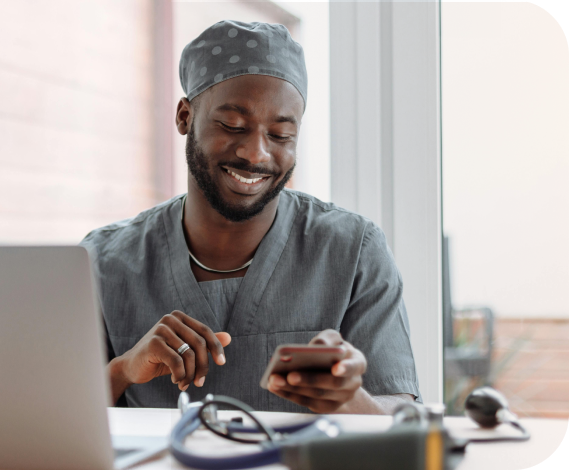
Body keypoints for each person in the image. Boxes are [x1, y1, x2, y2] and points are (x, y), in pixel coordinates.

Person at [81, 20, 421, 414]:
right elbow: (44, 419)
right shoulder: (104, 262)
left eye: (280, 135)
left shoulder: (351, 250)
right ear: (184, 116)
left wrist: (350, 399)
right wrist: (123, 370)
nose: (256, 154)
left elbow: (400, 414)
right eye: (232, 125)